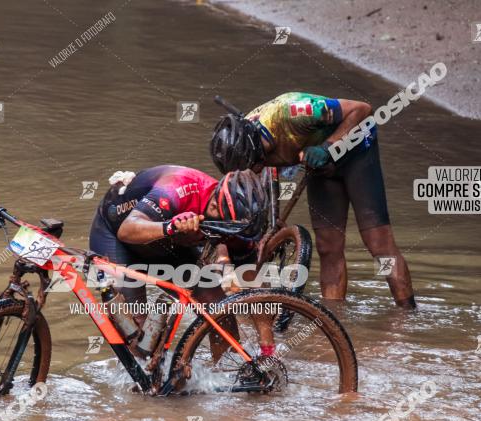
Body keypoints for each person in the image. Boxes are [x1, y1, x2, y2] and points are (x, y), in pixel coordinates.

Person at [210, 92, 416, 308]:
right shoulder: (243, 147)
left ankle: (407, 316)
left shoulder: (293, 112)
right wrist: (269, 223)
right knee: (328, 246)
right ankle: (333, 318)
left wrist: (327, 147)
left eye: (253, 164)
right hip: (319, 167)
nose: (254, 170)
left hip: (356, 153)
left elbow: (363, 109)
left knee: (378, 243)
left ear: (255, 150)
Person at [89, 165, 266, 312]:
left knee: (216, 308)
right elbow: (126, 230)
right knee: (132, 323)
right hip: (117, 235)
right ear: (213, 205)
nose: (227, 235)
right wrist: (170, 227)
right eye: (224, 227)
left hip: (167, 245)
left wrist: (267, 346)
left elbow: (252, 284)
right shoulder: (178, 185)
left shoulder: (239, 227)